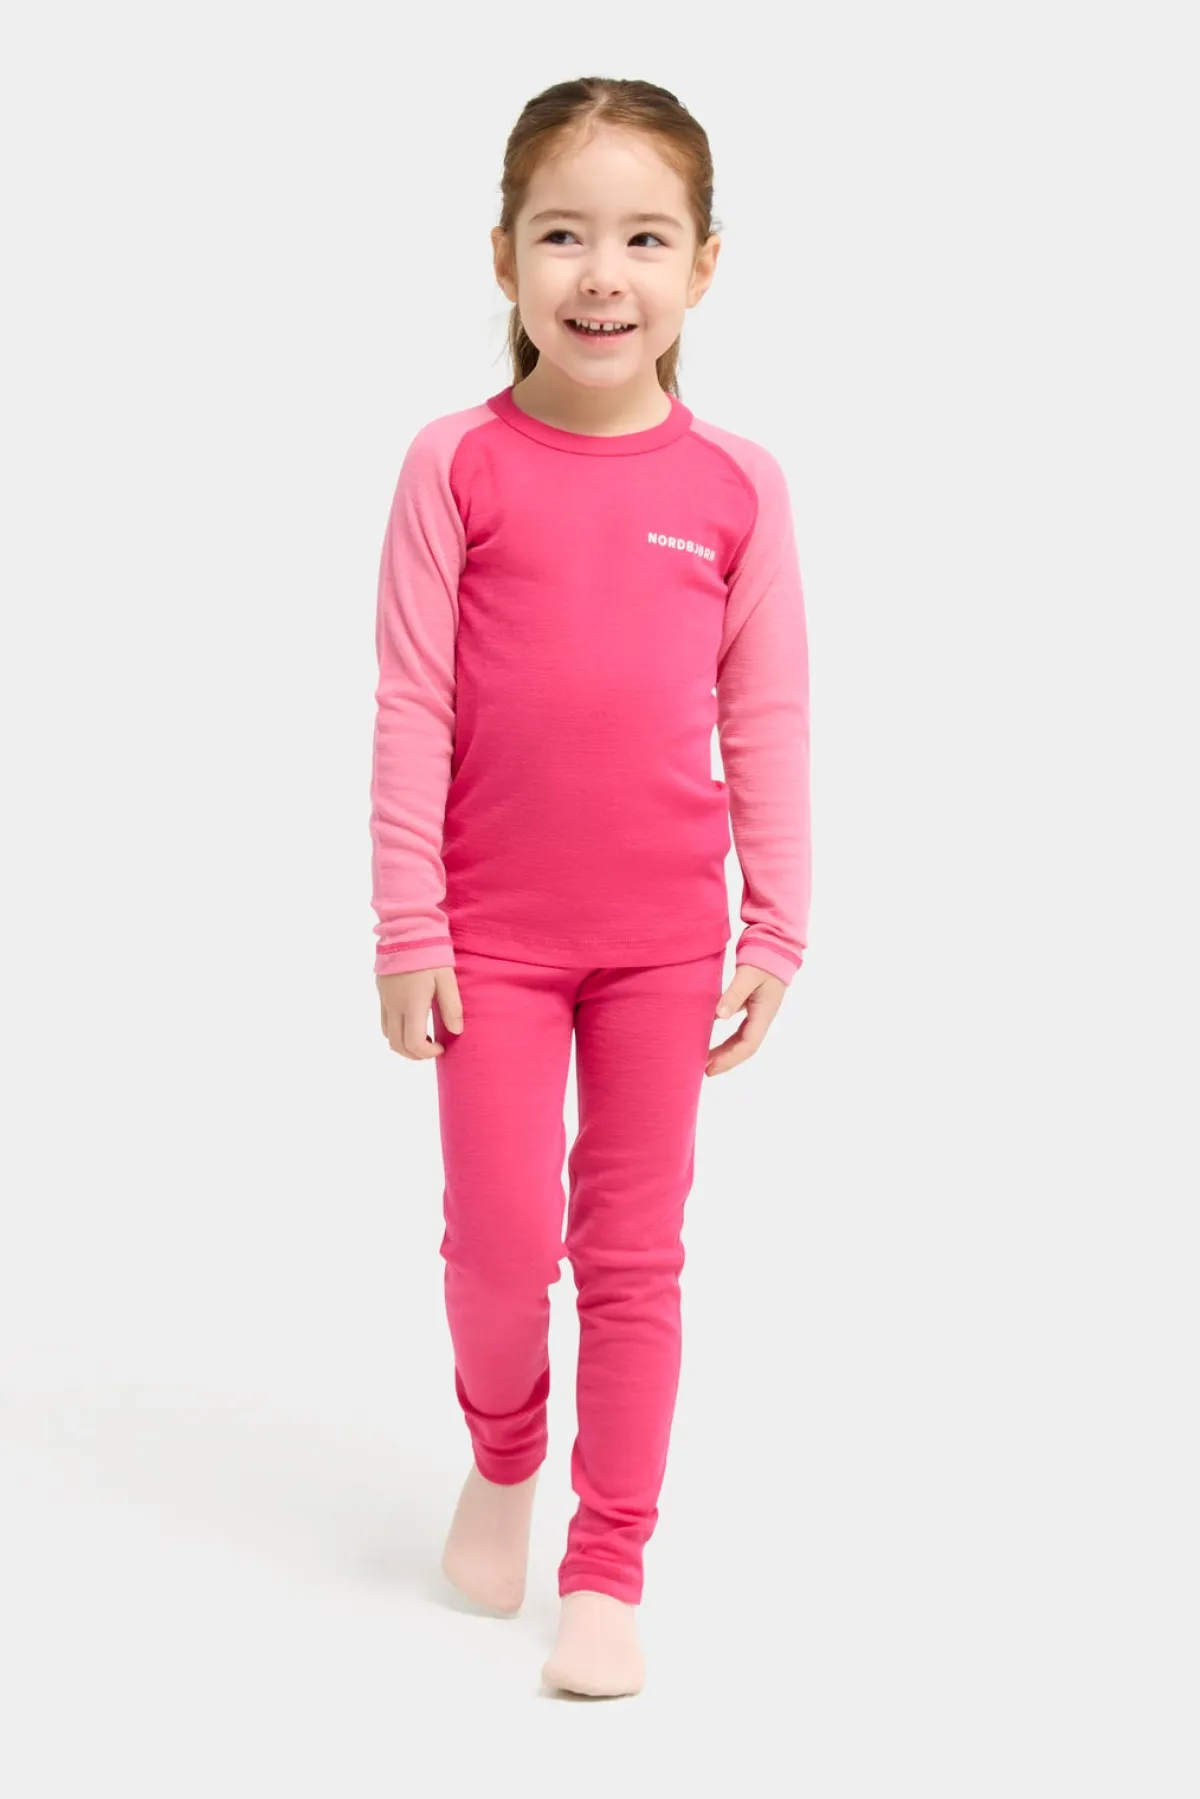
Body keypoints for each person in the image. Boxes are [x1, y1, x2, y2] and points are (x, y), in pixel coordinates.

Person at [369, 75, 811, 1699]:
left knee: (633, 1259)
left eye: (644, 238)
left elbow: (768, 713)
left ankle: (608, 1562)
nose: (602, 274)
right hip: (486, 937)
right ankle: (505, 1454)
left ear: (705, 265)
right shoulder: (455, 466)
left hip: (660, 944)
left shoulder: (738, 487)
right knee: (498, 1245)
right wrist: (406, 922)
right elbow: (412, 700)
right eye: (563, 235)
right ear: (503, 257)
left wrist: (778, 924)